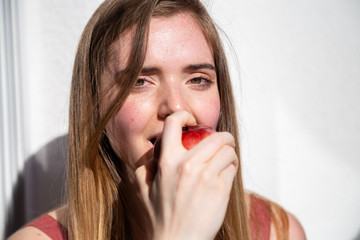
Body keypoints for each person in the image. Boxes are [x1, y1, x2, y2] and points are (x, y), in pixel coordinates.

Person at [9, 0, 306, 239]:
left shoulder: (277, 231)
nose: (177, 107)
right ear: (96, 106)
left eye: (199, 80)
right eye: (140, 81)